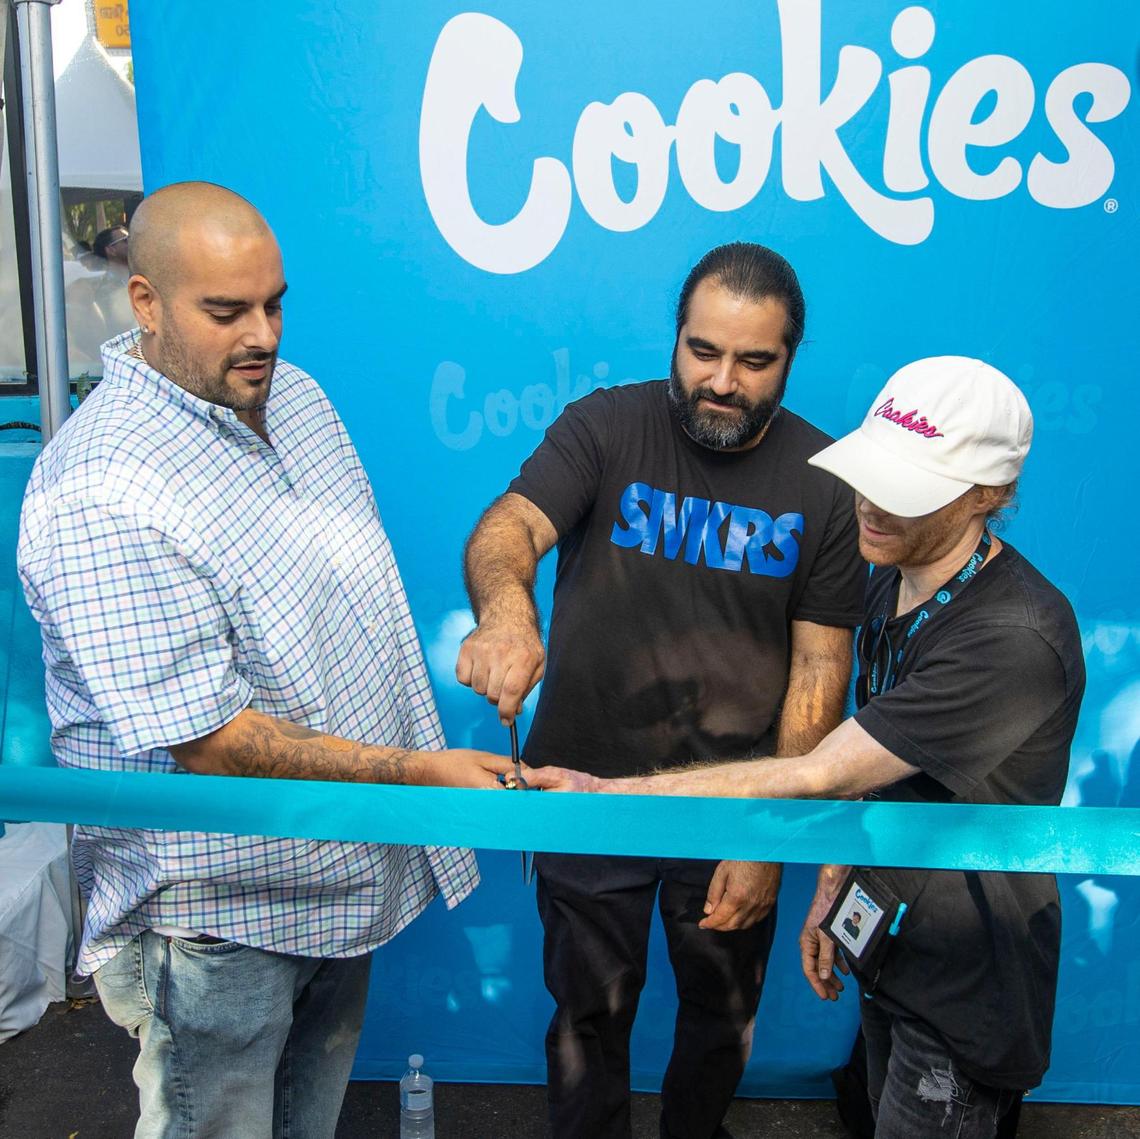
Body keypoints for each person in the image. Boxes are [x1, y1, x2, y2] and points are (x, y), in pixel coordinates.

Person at [17, 181, 511, 1139]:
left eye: (274, 302)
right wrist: (416, 775)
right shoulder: (101, 489)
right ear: (147, 302)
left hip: (336, 871)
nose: (264, 334)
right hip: (216, 924)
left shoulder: (298, 398)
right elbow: (210, 740)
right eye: (226, 310)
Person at [529, 356, 1086, 1139]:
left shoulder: (1014, 639)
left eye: (908, 489)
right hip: (896, 944)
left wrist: (603, 796)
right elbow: (880, 767)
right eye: (872, 475)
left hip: (967, 985)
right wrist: (834, 882)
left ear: (989, 496)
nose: (871, 505)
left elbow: (821, 767)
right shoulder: (890, 573)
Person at [458, 242, 866, 1138]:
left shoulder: (832, 486)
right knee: (586, 1017)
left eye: (753, 361)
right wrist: (506, 614)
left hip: (728, 806)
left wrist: (766, 838)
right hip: (582, 794)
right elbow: (509, 529)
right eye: (702, 351)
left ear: (790, 360)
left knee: (720, 1019)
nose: (722, 380)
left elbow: (820, 671)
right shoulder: (605, 426)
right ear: (676, 338)